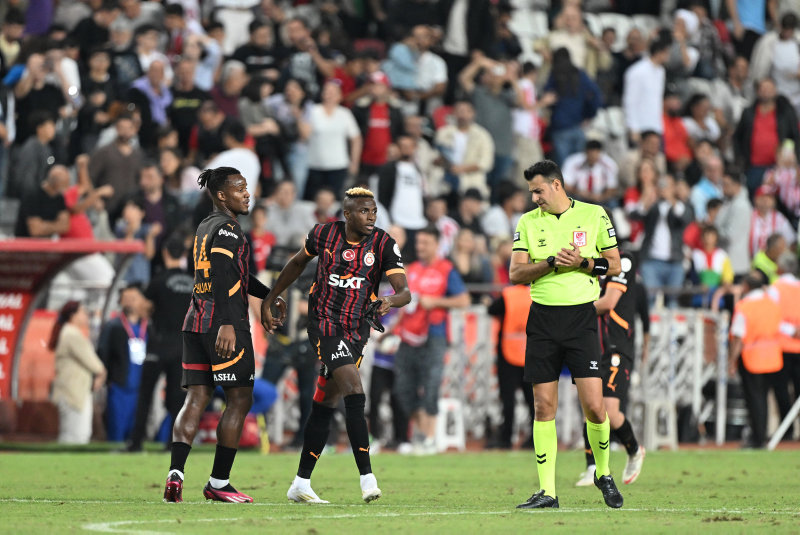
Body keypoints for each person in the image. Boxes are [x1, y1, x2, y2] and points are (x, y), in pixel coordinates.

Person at [261, 187, 411, 504]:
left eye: (373, 211)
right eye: (363, 211)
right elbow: (297, 263)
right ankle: (368, 479)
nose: (371, 216)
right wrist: (273, 295)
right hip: (324, 324)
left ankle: (300, 483)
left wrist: (388, 300)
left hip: (358, 330)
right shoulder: (323, 234)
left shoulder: (383, 243)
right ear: (347, 214)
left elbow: (404, 292)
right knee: (354, 391)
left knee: (325, 402)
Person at [163, 167, 287, 504]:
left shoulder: (205, 226)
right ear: (221, 195)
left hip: (195, 321)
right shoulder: (230, 229)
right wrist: (228, 323)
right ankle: (219, 482)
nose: (247, 193)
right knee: (240, 398)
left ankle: (176, 476)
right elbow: (221, 274)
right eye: (240, 188)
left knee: (196, 398)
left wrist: (269, 293)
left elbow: (237, 275)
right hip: (223, 324)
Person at [510, 159, 623, 509]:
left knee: (594, 406)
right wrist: (550, 264)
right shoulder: (528, 222)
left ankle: (602, 472)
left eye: (539, 191)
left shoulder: (595, 215)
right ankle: (548, 492)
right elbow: (516, 273)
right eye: (532, 192)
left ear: (557, 185)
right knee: (543, 406)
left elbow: (614, 265)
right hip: (542, 320)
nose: (534, 199)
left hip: (581, 321)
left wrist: (583, 264)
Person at [394, 225, 470, 453]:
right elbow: (403, 304)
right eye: (418, 243)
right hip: (408, 335)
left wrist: (436, 302)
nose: (420, 247)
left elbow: (463, 300)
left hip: (435, 334)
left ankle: (428, 437)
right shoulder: (412, 270)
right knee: (403, 388)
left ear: (437, 244)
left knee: (431, 384)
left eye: (425, 243)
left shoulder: (446, 270)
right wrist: (390, 329)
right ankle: (423, 434)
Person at [575, 250, 646, 487]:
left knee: (611, 412)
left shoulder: (624, 260)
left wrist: (569, 310)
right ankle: (591, 467)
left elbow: (608, 303)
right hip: (593, 345)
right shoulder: (587, 263)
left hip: (617, 346)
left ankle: (634, 450)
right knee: (591, 407)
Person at [126, 236, 193, 452]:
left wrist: (154, 312)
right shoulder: (194, 282)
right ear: (183, 255)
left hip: (158, 344)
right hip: (182, 347)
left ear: (165, 253)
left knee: (146, 395)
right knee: (177, 399)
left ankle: (136, 443)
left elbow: (142, 309)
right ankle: (173, 444)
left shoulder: (158, 280)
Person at [728, 272, 787, 448]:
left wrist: (732, 360)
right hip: (773, 357)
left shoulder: (744, 307)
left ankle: (757, 438)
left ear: (746, 286)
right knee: (764, 399)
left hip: (752, 358)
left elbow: (738, 336)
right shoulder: (772, 303)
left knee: (754, 400)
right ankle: (762, 435)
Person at [99, 284, 153, 443]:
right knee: (116, 431)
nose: (129, 302)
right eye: (126, 298)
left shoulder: (149, 327)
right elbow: (103, 353)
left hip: (142, 389)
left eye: (133, 299)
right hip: (119, 387)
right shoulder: (113, 326)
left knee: (136, 434)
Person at [50, 301, 107, 445]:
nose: (86, 315)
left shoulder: (69, 332)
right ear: (72, 315)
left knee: (75, 433)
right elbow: (93, 363)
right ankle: (63, 467)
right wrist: (102, 372)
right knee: (75, 435)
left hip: (75, 391)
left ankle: (63, 467)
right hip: (72, 393)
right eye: (82, 312)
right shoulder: (71, 334)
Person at [486, 283, 535, 450]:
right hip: (530, 353)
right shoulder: (536, 293)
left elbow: (492, 310)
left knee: (508, 400)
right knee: (533, 400)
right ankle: (535, 439)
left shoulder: (508, 294)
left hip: (507, 353)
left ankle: (506, 438)